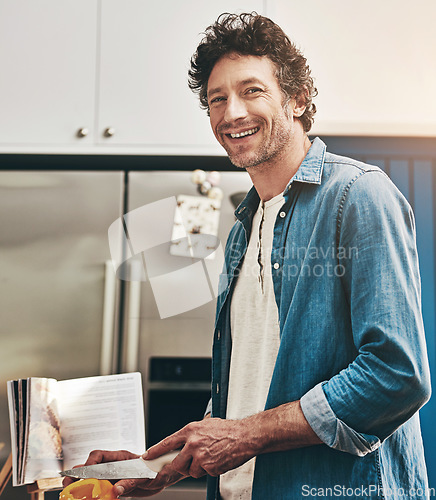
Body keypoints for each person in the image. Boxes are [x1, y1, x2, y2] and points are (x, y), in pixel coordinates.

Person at [65, 13, 431, 499]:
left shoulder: (358, 196)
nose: (231, 112)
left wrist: (243, 434)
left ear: (297, 99)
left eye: (252, 91)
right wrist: (154, 466)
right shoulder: (243, 227)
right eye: (217, 99)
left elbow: (396, 375)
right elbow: (246, 401)